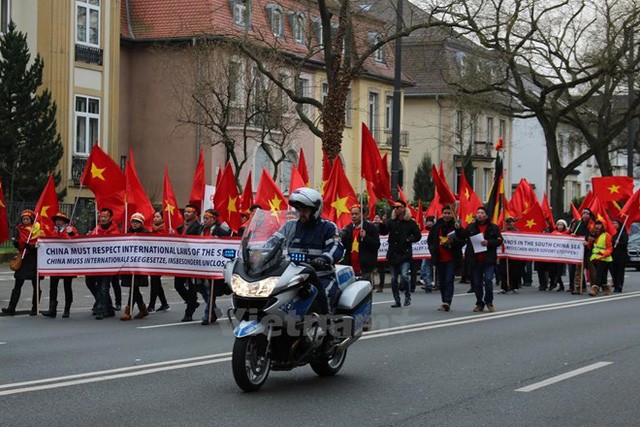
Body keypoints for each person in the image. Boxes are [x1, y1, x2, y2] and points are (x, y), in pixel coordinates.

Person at [272, 187, 344, 314]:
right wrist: (256, 253)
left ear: (315, 210)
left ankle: (326, 327)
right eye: (299, 210)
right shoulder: (290, 226)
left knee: (323, 294)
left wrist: (324, 258)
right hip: (292, 276)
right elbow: (273, 242)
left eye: (305, 210)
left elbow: (336, 246)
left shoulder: (328, 227)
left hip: (320, 276)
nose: (301, 213)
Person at [455, 206, 503, 312]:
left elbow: (499, 240)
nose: (479, 215)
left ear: (486, 215)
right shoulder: (471, 227)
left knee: (488, 280)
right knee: (477, 283)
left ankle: (489, 301)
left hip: (488, 260)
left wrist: (488, 242)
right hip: (475, 260)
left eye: (482, 213)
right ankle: (479, 303)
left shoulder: (493, 227)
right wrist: (458, 229)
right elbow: (463, 236)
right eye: (478, 213)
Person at [377, 200, 422, 308]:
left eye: (398, 207)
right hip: (393, 254)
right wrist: (381, 224)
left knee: (405, 276)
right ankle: (397, 300)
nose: (396, 209)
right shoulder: (391, 221)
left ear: (403, 208)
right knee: (393, 278)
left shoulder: (410, 222)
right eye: (395, 207)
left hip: (405, 254)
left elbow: (418, 235)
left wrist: (408, 239)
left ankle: (407, 296)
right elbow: (383, 231)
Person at [2, 210, 44, 316]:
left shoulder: (38, 230)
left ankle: (35, 307)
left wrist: (30, 246)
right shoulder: (20, 229)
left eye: (27, 219)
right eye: (24, 219)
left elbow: (41, 245)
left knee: (36, 285)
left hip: (34, 260)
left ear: (31, 220)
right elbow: (19, 242)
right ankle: (11, 308)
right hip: (23, 259)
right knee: (18, 284)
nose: (25, 221)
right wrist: (17, 244)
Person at [41, 212, 77, 318]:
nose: (58, 221)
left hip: (68, 263)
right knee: (53, 286)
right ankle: (52, 309)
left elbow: (76, 241)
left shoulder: (71, 229)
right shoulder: (53, 231)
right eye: (56, 220)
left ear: (65, 221)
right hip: (55, 263)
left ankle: (67, 309)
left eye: (60, 219)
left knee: (67, 286)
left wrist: (71, 234)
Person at [199, 209, 232, 325]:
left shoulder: (221, 231)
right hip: (202, 265)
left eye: (207, 218)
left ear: (213, 219)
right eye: (203, 218)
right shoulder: (200, 229)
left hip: (215, 266)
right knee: (201, 289)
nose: (204, 221)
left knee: (212, 291)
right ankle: (213, 311)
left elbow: (228, 243)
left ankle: (208, 314)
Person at [89, 208, 120, 319]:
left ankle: (102, 310)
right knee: (99, 286)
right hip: (98, 264)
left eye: (105, 217)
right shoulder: (96, 230)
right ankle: (109, 308)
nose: (102, 219)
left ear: (110, 218)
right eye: (101, 216)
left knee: (104, 287)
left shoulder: (115, 231)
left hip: (109, 264)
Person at [427, 205, 460, 311]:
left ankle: (447, 301)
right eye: (445, 213)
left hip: (451, 258)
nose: (446, 215)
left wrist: (454, 241)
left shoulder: (456, 226)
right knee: (441, 281)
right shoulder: (436, 226)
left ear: (452, 214)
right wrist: (433, 251)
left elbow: (463, 240)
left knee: (449, 280)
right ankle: (444, 300)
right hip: (439, 258)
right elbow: (430, 241)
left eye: (449, 213)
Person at [174, 204, 203, 322]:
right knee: (178, 285)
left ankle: (189, 312)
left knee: (192, 287)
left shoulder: (199, 227)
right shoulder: (180, 227)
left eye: (190, 212)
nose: (186, 213)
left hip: (192, 261)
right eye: (185, 211)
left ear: (195, 214)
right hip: (181, 261)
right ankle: (193, 302)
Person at [120, 213, 150, 321]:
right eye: (133, 222)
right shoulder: (126, 233)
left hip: (140, 264)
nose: (134, 224)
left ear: (141, 223)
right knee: (133, 287)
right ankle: (142, 308)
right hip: (129, 264)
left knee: (134, 286)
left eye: (137, 222)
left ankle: (128, 311)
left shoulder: (146, 233)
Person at [340, 204, 380, 283]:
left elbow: (376, 245)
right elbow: (343, 246)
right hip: (350, 268)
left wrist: (366, 237)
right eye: (352, 214)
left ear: (363, 215)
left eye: (356, 214)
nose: (354, 216)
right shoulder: (348, 228)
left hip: (365, 268)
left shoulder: (371, 227)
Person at [148, 211, 170, 313]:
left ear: (162, 219)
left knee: (154, 281)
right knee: (156, 282)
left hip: (161, 260)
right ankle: (164, 303)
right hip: (153, 260)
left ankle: (151, 306)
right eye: (154, 217)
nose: (155, 218)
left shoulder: (166, 231)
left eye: (157, 217)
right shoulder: (151, 230)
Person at [569, 208, 595, 294]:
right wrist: (573, 235)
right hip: (580, 251)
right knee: (578, 270)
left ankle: (594, 288)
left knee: (592, 271)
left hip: (589, 250)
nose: (585, 215)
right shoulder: (578, 223)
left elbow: (594, 236)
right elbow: (573, 233)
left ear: (589, 215)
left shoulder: (592, 224)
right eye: (583, 213)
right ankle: (578, 288)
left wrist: (588, 242)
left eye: (587, 214)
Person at [587, 220, 613, 296]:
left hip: (604, 258)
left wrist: (605, 254)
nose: (597, 226)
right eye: (596, 224)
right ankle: (606, 288)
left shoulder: (606, 235)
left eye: (599, 224)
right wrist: (589, 242)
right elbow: (590, 247)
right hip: (595, 257)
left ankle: (595, 289)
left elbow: (609, 248)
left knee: (598, 273)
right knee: (603, 274)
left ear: (603, 226)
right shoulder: (593, 234)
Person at [498, 217, 524, 294]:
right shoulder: (502, 232)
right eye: (508, 223)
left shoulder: (517, 232)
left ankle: (515, 287)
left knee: (514, 271)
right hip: (505, 255)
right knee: (503, 271)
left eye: (511, 223)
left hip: (514, 255)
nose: (509, 224)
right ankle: (504, 287)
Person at [548, 219, 569, 292]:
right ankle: (560, 285)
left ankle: (557, 283)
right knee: (552, 270)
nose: (559, 226)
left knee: (559, 271)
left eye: (561, 225)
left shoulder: (567, 233)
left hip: (562, 255)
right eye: (558, 225)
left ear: (564, 226)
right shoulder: (553, 233)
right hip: (554, 255)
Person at [609, 218, 628, 293]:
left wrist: (618, 242)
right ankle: (615, 285)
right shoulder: (612, 233)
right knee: (613, 271)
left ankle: (619, 286)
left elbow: (625, 243)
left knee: (620, 271)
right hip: (613, 255)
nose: (613, 225)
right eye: (612, 223)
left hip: (621, 255)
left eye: (615, 223)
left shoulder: (623, 233)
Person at [419, 216, 435, 292]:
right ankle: (428, 283)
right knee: (425, 266)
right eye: (428, 221)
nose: (429, 223)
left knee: (430, 267)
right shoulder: (423, 231)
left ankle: (430, 283)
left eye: (431, 221)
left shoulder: (435, 230)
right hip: (425, 253)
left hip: (433, 252)